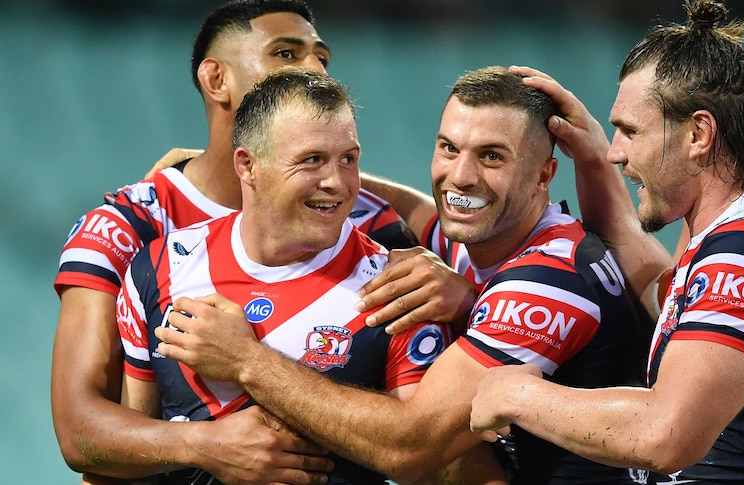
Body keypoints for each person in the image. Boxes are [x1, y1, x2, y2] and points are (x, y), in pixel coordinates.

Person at [154, 65, 651, 484]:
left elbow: (411, 448)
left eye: (492, 157)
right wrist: (240, 168)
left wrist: (245, 360)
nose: (461, 176)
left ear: (544, 174)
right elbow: (416, 207)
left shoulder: (546, 281)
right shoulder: (482, 238)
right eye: (449, 148)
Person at [467, 0, 744, 482]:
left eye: (629, 131)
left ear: (698, 134)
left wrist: (515, 394)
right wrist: (587, 157)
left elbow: (666, 434)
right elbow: (654, 284)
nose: (616, 152)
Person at [51, 1, 417, 483]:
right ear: (217, 80)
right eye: (286, 54)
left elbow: (469, 223)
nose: (313, 70)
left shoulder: (368, 217)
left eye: (322, 58)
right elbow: (80, 430)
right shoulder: (133, 225)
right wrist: (209, 445)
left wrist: (456, 288)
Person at [117, 66, 468, 485]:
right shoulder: (159, 268)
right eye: (312, 160)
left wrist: (248, 362)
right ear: (247, 166)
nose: (337, 183)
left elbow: (413, 452)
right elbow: (125, 453)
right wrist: (206, 444)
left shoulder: (397, 287)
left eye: (349, 160)